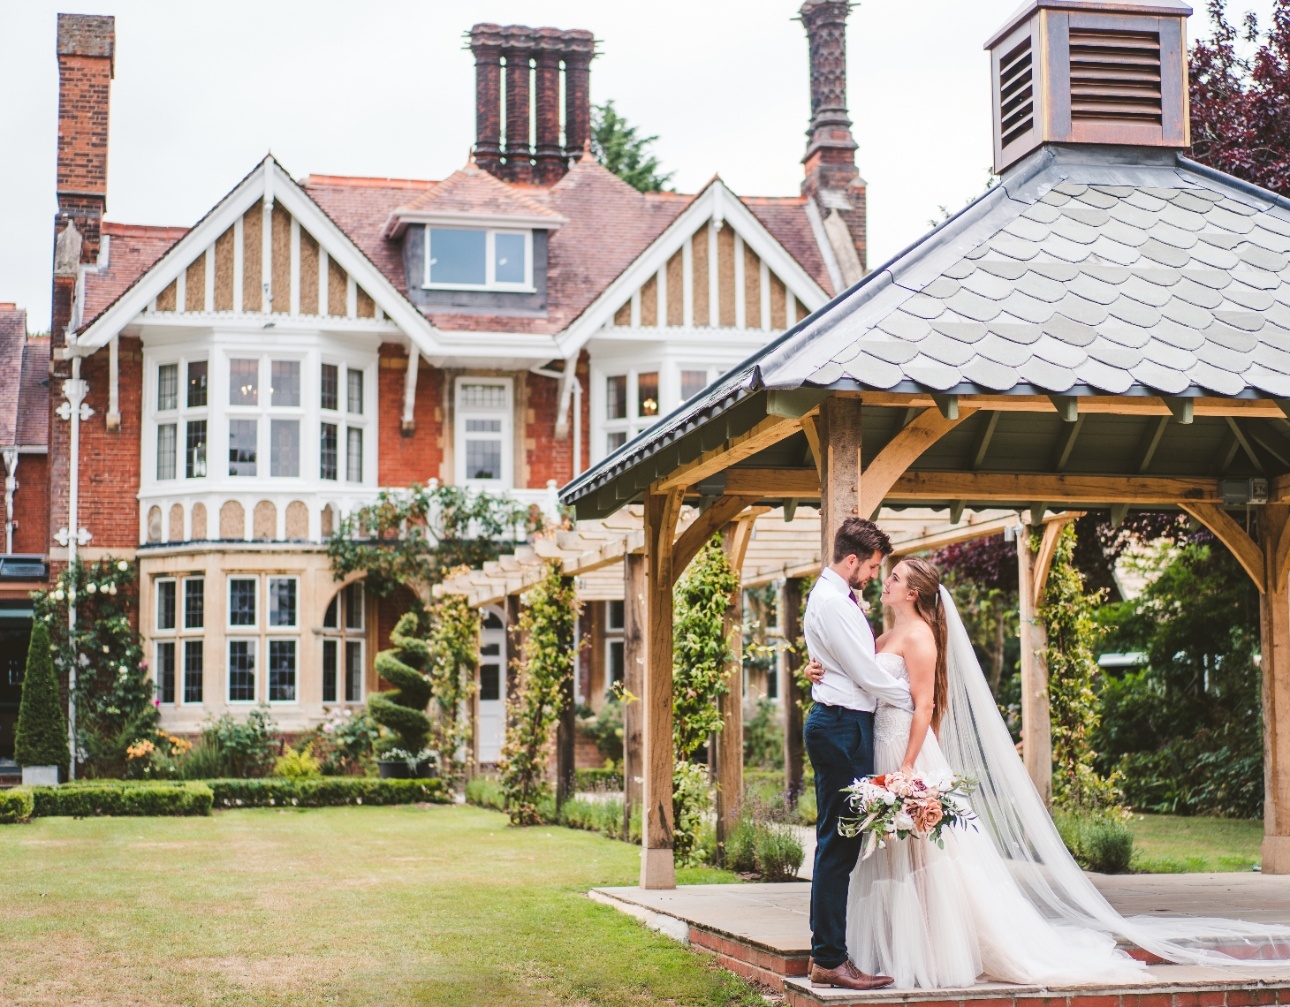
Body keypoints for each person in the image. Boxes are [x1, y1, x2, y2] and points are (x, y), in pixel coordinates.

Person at [805, 557, 1290, 988]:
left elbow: (926, 704)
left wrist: (910, 767)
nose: (882, 582)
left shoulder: (920, 636)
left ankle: (932, 953)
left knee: (927, 860)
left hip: (906, 753)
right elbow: (859, 675)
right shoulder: (881, 634)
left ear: (912, 592)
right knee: (889, 858)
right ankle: (890, 947)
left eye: (892, 577)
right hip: (879, 749)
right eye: (883, 574)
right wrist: (817, 669)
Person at [801, 517, 914, 991]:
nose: (872, 575)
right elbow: (867, 673)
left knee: (843, 840)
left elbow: (846, 666)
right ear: (851, 561)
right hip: (842, 728)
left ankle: (831, 952)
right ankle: (829, 958)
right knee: (838, 844)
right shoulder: (832, 603)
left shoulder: (834, 598)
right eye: (870, 567)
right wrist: (912, 699)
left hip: (847, 724)